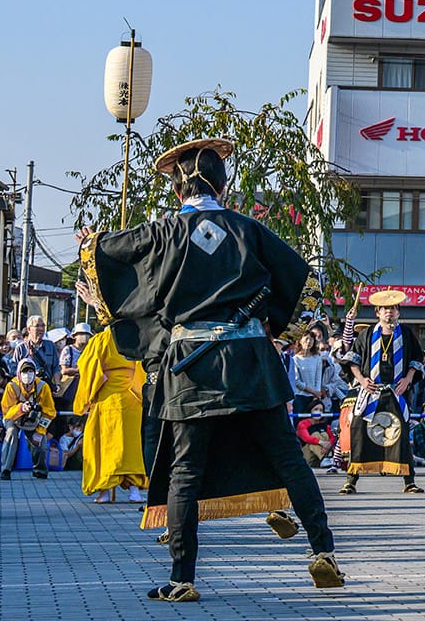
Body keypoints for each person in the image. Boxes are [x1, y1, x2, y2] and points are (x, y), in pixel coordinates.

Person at [82, 135, 341, 600]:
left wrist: (94, 244)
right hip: (250, 360)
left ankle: (182, 580)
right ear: (222, 187)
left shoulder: (163, 232)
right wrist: (271, 327)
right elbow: (301, 282)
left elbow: (106, 261)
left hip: (190, 365)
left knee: (185, 471)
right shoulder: (248, 229)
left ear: (177, 192)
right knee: (287, 458)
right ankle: (323, 551)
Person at [342, 289, 423, 495]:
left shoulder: (406, 334)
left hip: (396, 391)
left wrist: (408, 378)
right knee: (359, 432)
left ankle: (409, 481)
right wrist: (361, 380)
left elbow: (417, 360)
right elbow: (352, 360)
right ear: (378, 312)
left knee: (402, 434)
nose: (389, 312)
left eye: (393, 309)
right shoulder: (367, 334)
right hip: (370, 392)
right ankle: (351, 479)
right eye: (385, 309)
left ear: (398, 312)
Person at [70, 323, 148, 505]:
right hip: (131, 396)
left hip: (107, 398)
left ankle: (104, 491)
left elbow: (88, 368)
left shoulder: (100, 340)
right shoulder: (134, 336)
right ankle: (134, 491)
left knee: (103, 444)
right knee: (131, 445)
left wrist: (87, 398)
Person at [0, 358, 56, 480]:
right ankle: (6, 469)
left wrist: (40, 431)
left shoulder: (43, 387)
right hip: (14, 418)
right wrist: (21, 408)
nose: (27, 375)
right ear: (19, 372)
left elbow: (49, 412)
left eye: (30, 371)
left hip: (34, 420)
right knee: (11, 435)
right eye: (24, 371)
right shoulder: (12, 386)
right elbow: (6, 412)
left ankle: (39, 470)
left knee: (40, 442)